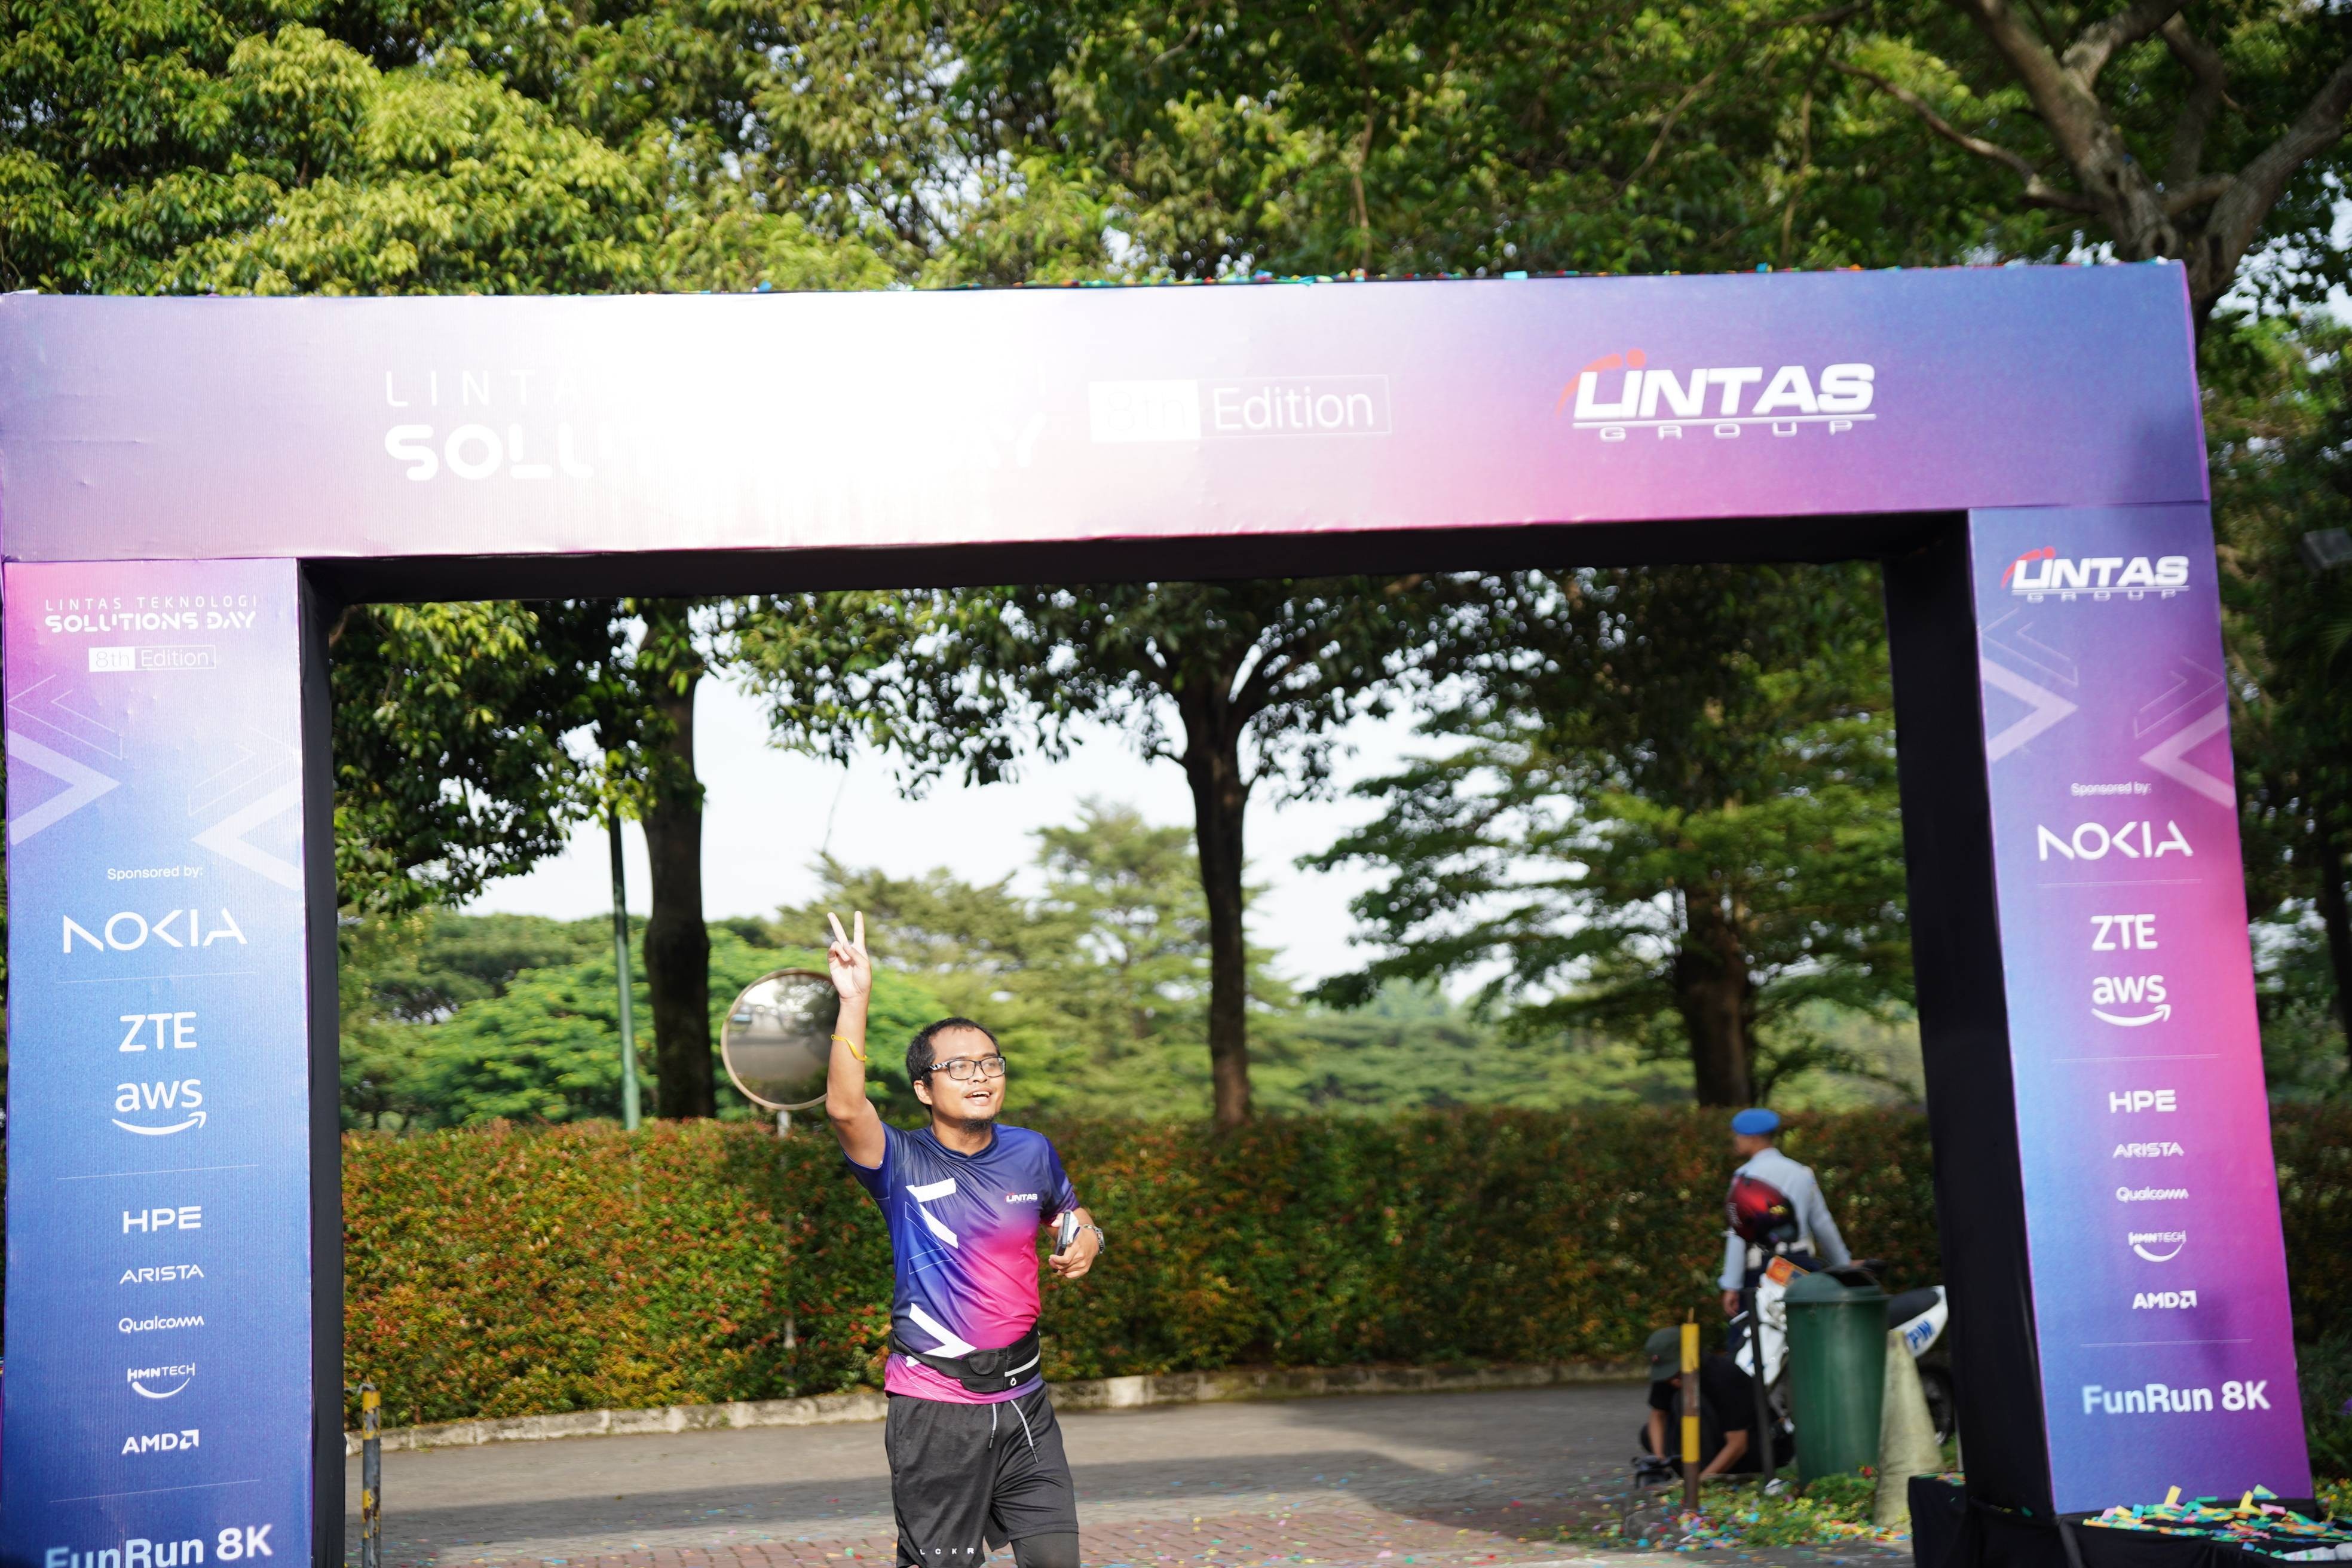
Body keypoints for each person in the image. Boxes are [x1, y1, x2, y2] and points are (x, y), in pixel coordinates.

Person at [822, 911, 1105, 1568]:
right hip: (937, 1410)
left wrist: (1089, 1235)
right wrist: (855, 1000)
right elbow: (844, 1107)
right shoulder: (899, 1160)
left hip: (1027, 1402)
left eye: (990, 1063)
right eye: (958, 1066)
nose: (980, 1076)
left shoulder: (1031, 1151)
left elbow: (1070, 1212)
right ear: (924, 1088)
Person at [1717, 1107, 1849, 1318]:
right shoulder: (1801, 1172)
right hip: (1801, 1265)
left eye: (1739, 1136)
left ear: (1753, 1138)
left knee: (1754, 1333)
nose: (1736, 1140)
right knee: (1805, 1327)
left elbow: (1739, 1232)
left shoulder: (1745, 1177)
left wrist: (1731, 1284)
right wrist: (1844, 1265)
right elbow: (1823, 1224)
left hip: (1762, 1269)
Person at [1637, 1327, 1783, 1479]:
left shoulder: (1724, 1376)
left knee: (1688, 1402)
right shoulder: (1669, 1376)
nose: (1672, 1381)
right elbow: (1658, 1415)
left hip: (1756, 1445)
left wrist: (1699, 1483)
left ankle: (1708, 1471)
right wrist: (1659, 1460)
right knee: (1649, 1434)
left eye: (1676, 1373)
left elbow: (1738, 1444)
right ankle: (1698, 1469)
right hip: (1713, 1440)